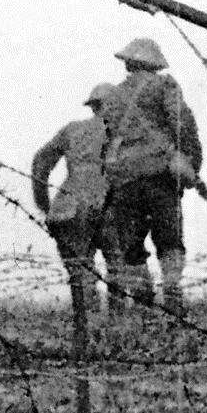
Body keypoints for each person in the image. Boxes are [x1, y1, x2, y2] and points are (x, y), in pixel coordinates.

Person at [103, 38, 203, 315]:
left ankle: (144, 303)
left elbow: (108, 139)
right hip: (160, 176)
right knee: (169, 240)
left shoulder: (112, 96)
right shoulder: (165, 85)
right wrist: (192, 166)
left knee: (132, 247)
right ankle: (172, 296)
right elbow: (183, 125)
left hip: (124, 180)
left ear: (129, 63)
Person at [32, 83, 121, 320]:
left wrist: (45, 204)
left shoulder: (72, 130)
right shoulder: (120, 131)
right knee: (118, 267)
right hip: (108, 203)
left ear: (93, 106)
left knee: (81, 272)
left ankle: (88, 327)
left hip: (70, 205)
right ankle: (118, 327)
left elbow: (41, 161)